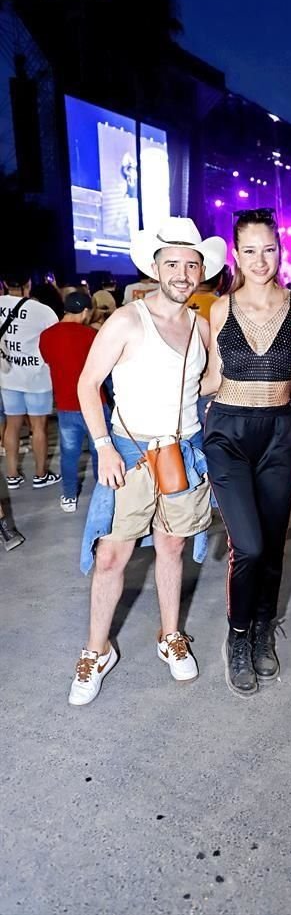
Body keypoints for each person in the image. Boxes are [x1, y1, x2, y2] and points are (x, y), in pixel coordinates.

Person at [68, 217, 226, 706]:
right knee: (112, 554)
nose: (182, 273)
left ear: (202, 271)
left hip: (182, 450)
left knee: (172, 548)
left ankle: (170, 635)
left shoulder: (201, 326)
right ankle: (97, 650)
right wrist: (103, 445)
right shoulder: (126, 320)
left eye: (191, 264)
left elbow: (213, 381)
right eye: (172, 263)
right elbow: (87, 384)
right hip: (131, 453)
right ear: (155, 268)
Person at [202, 207, 291, 697]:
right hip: (228, 433)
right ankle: (238, 636)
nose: (261, 259)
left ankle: (265, 627)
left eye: (269, 248)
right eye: (250, 250)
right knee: (247, 545)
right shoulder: (218, 310)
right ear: (236, 255)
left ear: (280, 250)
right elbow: (207, 377)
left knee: (272, 543)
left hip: (281, 433)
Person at [39, 291, 109, 512]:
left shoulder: (46, 335)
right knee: (101, 450)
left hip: (66, 405)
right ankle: (103, 493)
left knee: (69, 454)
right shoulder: (91, 335)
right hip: (95, 403)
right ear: (86, 311)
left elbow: (49, 360)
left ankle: (69, 496)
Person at [0, 276, 61, 490]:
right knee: (38, 428)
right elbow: (55, 338)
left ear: (5, 283)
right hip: (37, 378)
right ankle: (40, 474)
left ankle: (12, 475)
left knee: (12, 425)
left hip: (8, 375)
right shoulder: (42, 311)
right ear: (28, 284)